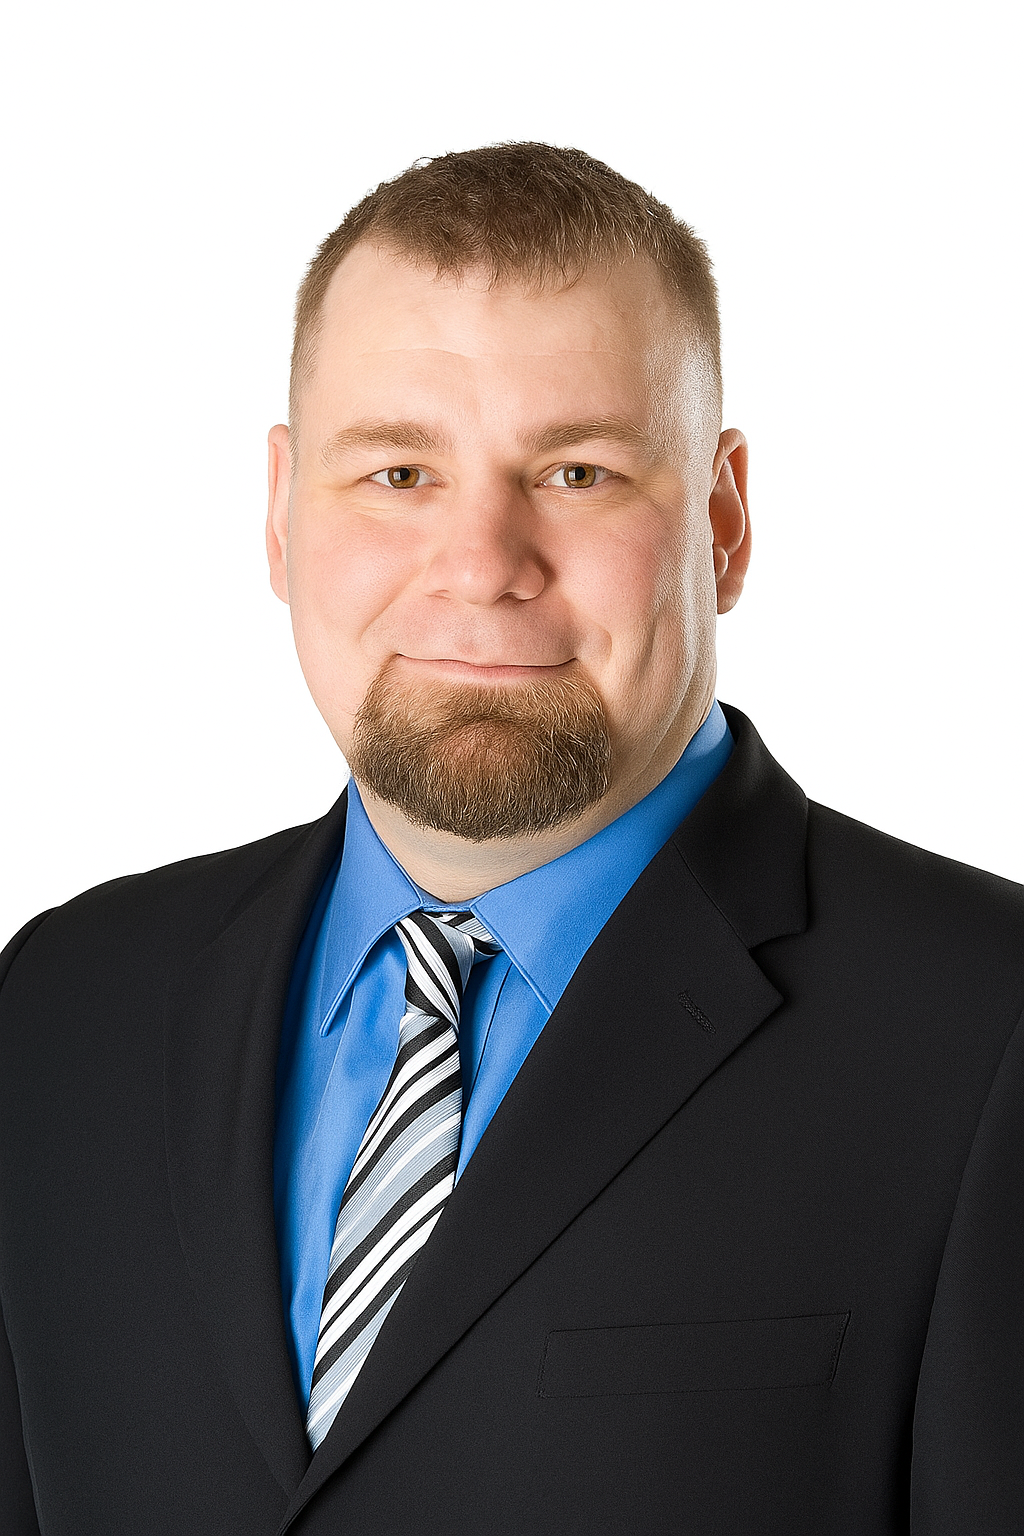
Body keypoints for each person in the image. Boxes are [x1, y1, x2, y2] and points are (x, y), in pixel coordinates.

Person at [1, 142, 1021, 1536]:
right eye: (401, 472)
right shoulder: (64, 1001)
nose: (482, 562)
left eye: (579, 472)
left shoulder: (987, 1030)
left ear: (723, 522)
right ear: (282, 513)